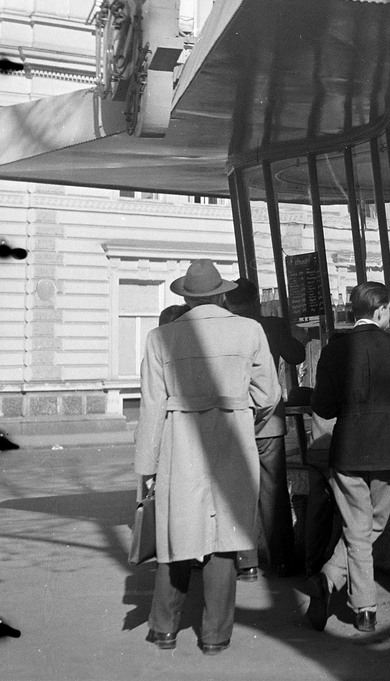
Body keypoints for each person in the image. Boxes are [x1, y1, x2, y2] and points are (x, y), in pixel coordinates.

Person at [134, 259, 280, 655]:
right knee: (225, 535)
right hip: (233, 435)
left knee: (177, 529)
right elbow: (269, 396)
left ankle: (164, 628)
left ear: (186, 296)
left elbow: (150, 406)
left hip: (180, 439)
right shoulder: (250, 330)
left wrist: (146, 467)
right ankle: (215, 635)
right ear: (221, 293)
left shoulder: (159, 337)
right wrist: (243, 412)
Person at [307, 281, 390, 633]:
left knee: (359, 529)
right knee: (371, 526)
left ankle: (328, 579)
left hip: (348, 451)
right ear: (380, 310)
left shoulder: (334, 350)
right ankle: (365, 608)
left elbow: (322, 406)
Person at [225, 278, 307, 580]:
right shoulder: (271, 325)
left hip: (234, 417)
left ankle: (246, 561)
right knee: (273, 491)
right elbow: (297, 355)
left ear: (228, 301)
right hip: (269, 418)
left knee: (239, 489)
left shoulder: (225, 326)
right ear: (257, 299)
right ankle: (283, 560)